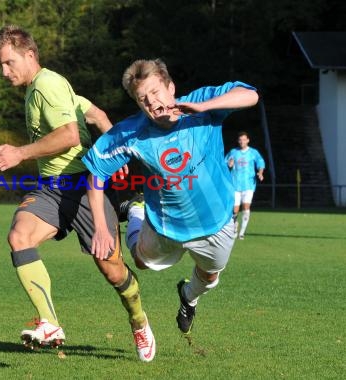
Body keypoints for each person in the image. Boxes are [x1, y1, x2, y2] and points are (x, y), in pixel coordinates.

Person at [0, 25, 155, 362]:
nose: (4, 72)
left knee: (114, 271)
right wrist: (115, 149)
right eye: (0, 65)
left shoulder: (47, 85)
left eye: (8, 63)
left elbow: (69, 137)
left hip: (82, 187)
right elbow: (97, 115)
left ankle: (138, 319)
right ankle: (49, 323)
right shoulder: (40, 88)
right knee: (20, 236)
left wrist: (20, 153)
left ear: (29, 55)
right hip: (52, 188)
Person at [83, 58, 258, 338]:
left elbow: (251, 95)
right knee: (140, 262)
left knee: (210, 276)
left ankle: (189, 298)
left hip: (217, 222)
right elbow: (95, 172)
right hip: (166, 225)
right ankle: (137, 212)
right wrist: (102, 228)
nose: (152, 102)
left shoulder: (201, 105)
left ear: (171, 87)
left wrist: (205, 107)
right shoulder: (132, 133)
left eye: (155, 92)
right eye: (143, 100)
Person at [225, 131, 265, 239]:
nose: (242, 141)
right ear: (238, 141)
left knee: (246, 206)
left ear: (248, 140)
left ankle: (241, 233)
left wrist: (260, 172)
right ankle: (234, 228)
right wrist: (229, 164)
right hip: (235, 184)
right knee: (235, 209)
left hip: (248, 184)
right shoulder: (233, 152)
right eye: (240, 140)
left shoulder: (253, 152)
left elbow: (260, 163)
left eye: (244, 139)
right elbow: (226, 163)